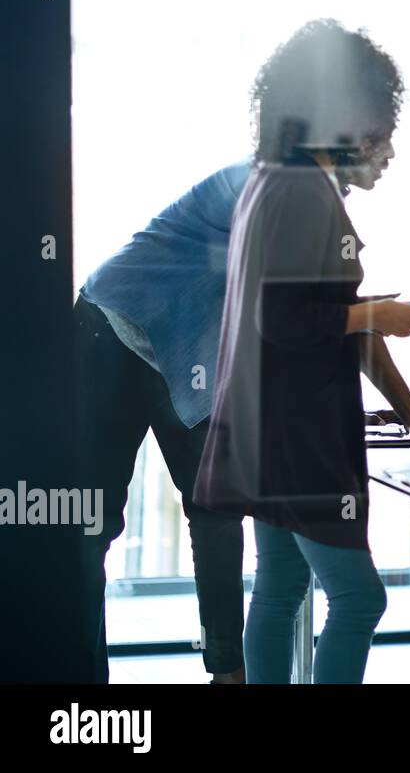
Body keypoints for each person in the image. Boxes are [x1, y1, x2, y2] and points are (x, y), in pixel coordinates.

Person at [195, 20, 410, 684]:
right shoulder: (302, 190)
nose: (387, 149)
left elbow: (330, 321)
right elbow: (288, 318)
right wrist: (372, 312)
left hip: (270, 436)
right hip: (303, 442)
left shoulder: (277, 179)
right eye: (381, 129)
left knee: (279, 588)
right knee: (359, 600)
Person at [76, 163, 252, 684]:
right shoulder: (265, 184)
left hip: (185, 350)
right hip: (110, 326)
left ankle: (227, 673)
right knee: (87, 521)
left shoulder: (310, 197)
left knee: (216, 508)